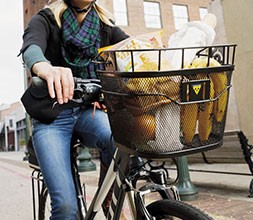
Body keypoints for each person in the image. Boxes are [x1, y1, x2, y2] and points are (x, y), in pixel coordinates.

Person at [20, 0, 129, 219]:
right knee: (65, 208)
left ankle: (107, 199)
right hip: (52, 116)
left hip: (89, 111)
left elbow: (134, 48)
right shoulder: (47, 19)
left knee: (119, 139)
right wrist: (45, 69)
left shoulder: (104, 25)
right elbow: (31, 47)